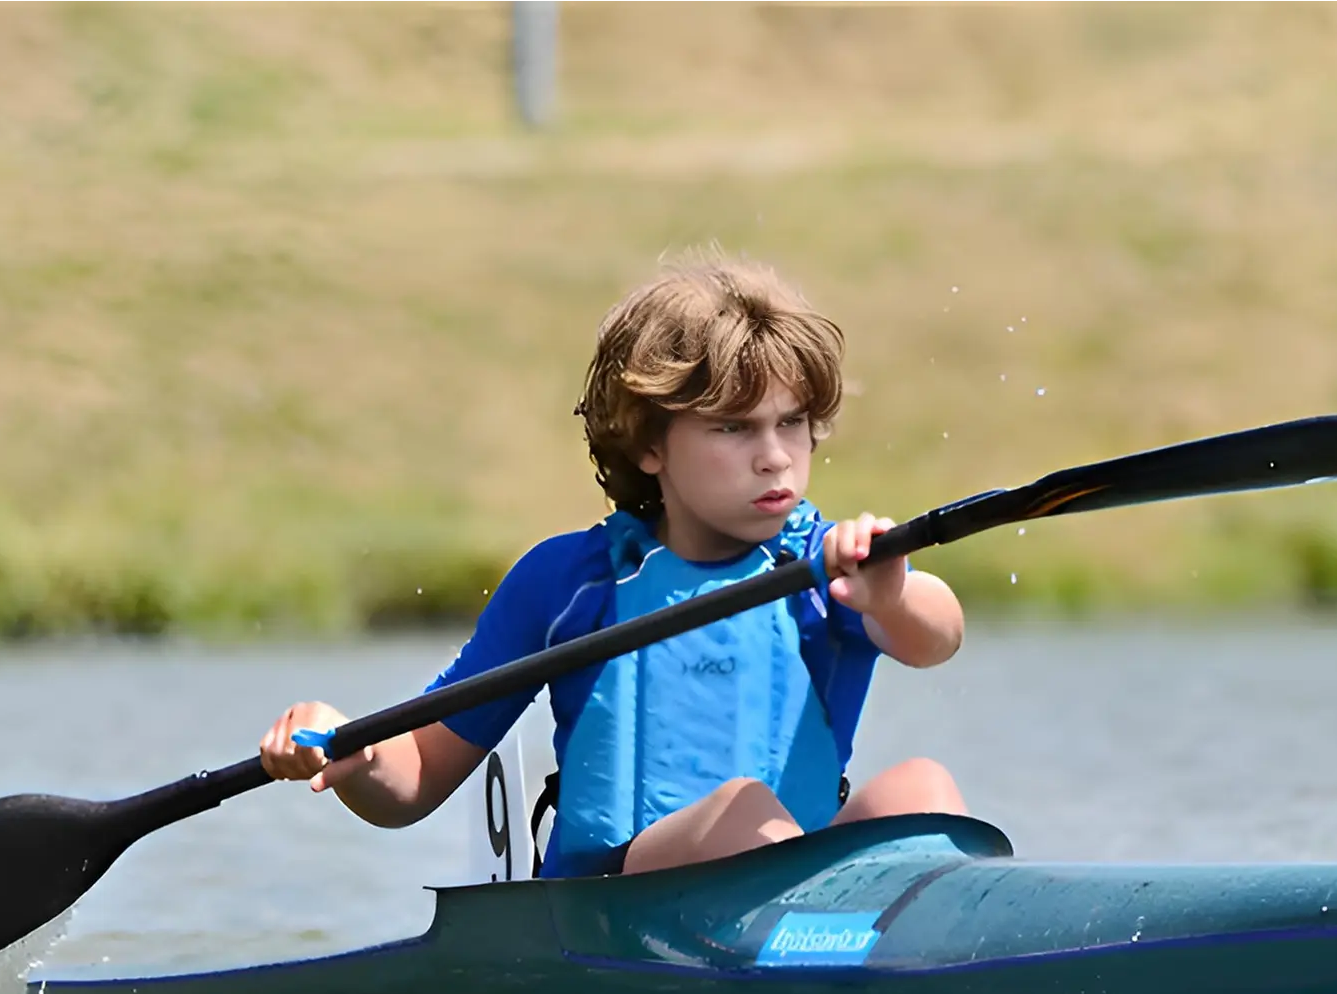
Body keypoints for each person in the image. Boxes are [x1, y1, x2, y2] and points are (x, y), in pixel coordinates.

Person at [258, 254, 967, 877]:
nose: (775, 454)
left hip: (789, 884)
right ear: (648, 446)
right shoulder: (568, 583)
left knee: (922, 790)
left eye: (791, 423)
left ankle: (948, 961)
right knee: (741, 809)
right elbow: (418, 776)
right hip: (615, 909)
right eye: (733, 427)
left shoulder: (832, 566)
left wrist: (888, 594)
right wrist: (356, 753)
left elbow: (937, 637)